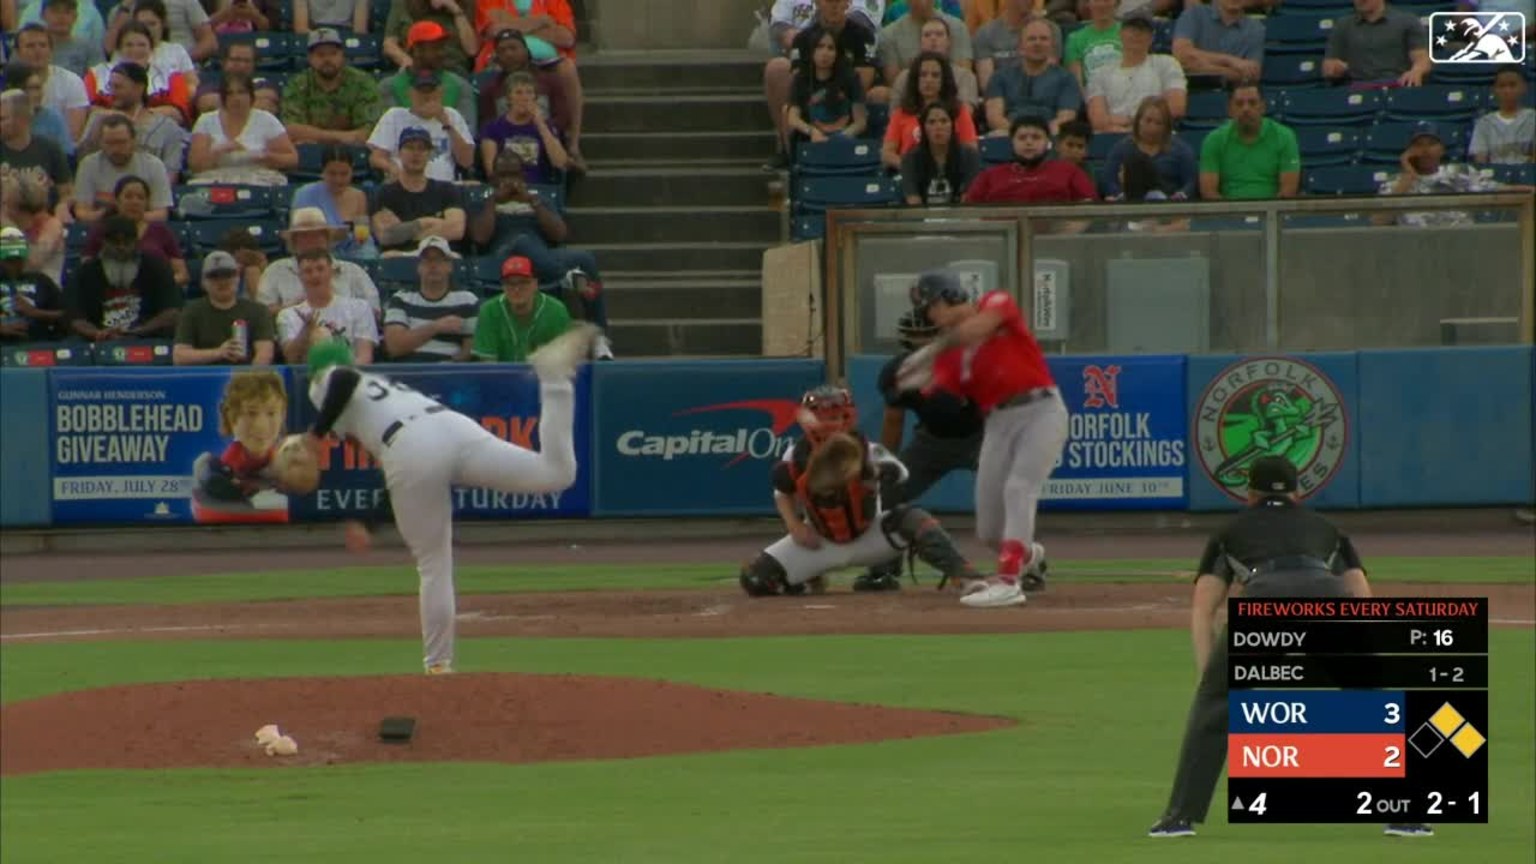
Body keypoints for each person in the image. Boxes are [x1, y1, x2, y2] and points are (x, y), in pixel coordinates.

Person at [1146, 456, 1432, 840]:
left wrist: (1209, 681)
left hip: (1266, 602)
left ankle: (1179, 818)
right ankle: (1405, 815)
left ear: (1249, 493)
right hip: (1329, 600)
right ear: (1299, 493)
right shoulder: (1327, 527)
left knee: (1215, 706)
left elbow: (1204, 606)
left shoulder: (1230, 529)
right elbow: (1360, 593)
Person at [296, 322, 602, 673]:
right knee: (556, 474)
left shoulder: (327, 379)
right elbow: (397, 474)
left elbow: (341, 381)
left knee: (434, 564)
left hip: (410, 443)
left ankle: (438, 664)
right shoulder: (378, 389)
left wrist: (316, 433)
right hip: (451, 427)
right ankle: (555, 380)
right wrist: (368, 520)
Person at [896, 268, 1068, 608]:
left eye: (933, 306)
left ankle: (1009, 580)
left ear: (950, 295)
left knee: (1019, 488)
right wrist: (907, 381)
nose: (931, 315)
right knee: (990, 531)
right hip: (998, 421)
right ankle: (1030, 556)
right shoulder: (949, 355)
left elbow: (979, 327)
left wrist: (932, 351)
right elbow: (937, 391)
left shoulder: (995, 302)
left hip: (1041, 410)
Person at [737, 384, 983, 597]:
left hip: (871, 537)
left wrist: (877, 473)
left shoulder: (869, 451)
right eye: (821, 418)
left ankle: (963, 574)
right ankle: (808, 578)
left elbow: (901, 474)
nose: (827, 425)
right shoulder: (795, 457)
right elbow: (782, 492)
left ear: (847, 418)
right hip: (820, 542)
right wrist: (795, 526)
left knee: (915, 519)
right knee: (755, 578)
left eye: (834, 418)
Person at [857, 308, 985, 591]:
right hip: (932, 442)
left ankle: (1026, 564)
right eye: (917, 336)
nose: (923, 343)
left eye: (929, 335)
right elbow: (894, 419)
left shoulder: (969, 362)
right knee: (886, 492)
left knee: (1004, 501)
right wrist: (887, 465)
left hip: (981, 437)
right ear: (906, 339)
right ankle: (884, 567)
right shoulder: (898, 371)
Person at [65, 213, 182, 341]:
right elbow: (74, 318)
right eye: (114, 241)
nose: (121, 247)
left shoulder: (157, 267)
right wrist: (97, 333)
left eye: (127, 241)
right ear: (103, 242)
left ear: (136, 241)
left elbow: (172, 312)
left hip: (147, 337)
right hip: (97, 340)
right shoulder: (85, 272)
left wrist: (138, 331)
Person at [381, 235, 479, 362]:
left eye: (438, 260)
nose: (433, 266)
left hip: (450, 371)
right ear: (419, 267)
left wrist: (451, 364)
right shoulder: (401, 299)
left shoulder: (467, 300)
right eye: (427, 260)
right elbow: (394, 347)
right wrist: (436, 326)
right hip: (410, 370)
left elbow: (472, 348)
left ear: (449, 266)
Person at [172, 250, 275, 365]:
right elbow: (179, 356)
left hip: (245, 377)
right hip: (205, 378)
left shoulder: (258, 311)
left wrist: (249, 379)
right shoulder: (192, 310)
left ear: (237, 277)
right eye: (214, 276)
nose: (222, 282)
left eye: (227, 275)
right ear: (203, 282)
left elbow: (264, 355)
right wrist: (219, 353)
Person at [964, 115, 1096, 204]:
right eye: (1022, 138)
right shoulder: (989, 176)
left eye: (1036, 137)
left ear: (1048, 142)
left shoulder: (1069, 171)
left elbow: (1091, 206)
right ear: (1012, 142)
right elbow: (969, 213)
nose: (1029, 142)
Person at [471, 254, 573, 362]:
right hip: (500, 377)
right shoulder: (489, 310)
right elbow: (488, 364)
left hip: (544, 375)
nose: (516, 289)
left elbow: (563, 360)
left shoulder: (556, 311)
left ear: (535, 284)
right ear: (503, 286)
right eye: (510, 283)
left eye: (524, 282)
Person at [899, 102, 981, 205]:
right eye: (932, 122)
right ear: (923, 128)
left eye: (944, 121)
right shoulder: (910, 158)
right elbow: (913, 200)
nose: (938, 127)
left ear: (953, 125)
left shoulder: (969, 155)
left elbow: (968, 198)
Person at [0, 224, 66, 342]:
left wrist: (36, 313)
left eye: (18, 258)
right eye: (9, 260)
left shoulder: (40, 280)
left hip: (36, 343)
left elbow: (69, 315)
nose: (15, 265)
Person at [1469, 66, 1535, 165]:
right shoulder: (1484, 123)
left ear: (1524, 87)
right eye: (1502, 86)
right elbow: (1480, 159)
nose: (1507, 90)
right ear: (1494, 90)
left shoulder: (1532, 117)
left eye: (1512, 85)